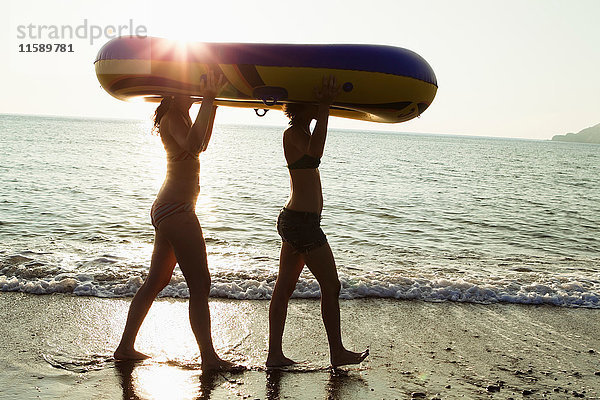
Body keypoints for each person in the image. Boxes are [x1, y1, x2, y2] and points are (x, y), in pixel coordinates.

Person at [114, 71, 236, 371]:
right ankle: (209, 358)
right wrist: (208, 100)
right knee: (200, 283)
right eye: (191, 91)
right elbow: (194, 147)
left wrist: (213, 105)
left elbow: (201, 143)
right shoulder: (172, 116)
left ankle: (125, 347)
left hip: (170, 208)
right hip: (176, 209)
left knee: (157, 280)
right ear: (175, 92)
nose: (194, 94)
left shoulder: (179, 116)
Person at [267, 76, 369, 368]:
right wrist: (325, 106)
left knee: (284, 289)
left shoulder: (300, 130)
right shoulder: (292, 134)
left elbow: (314, 149)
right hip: (302, 224)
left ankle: (275, 355)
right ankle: (336, 352)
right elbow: (316, 152)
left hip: (298, 221)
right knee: (331, 285)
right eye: (312, 103)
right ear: (302, 107)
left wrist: (323, 107)